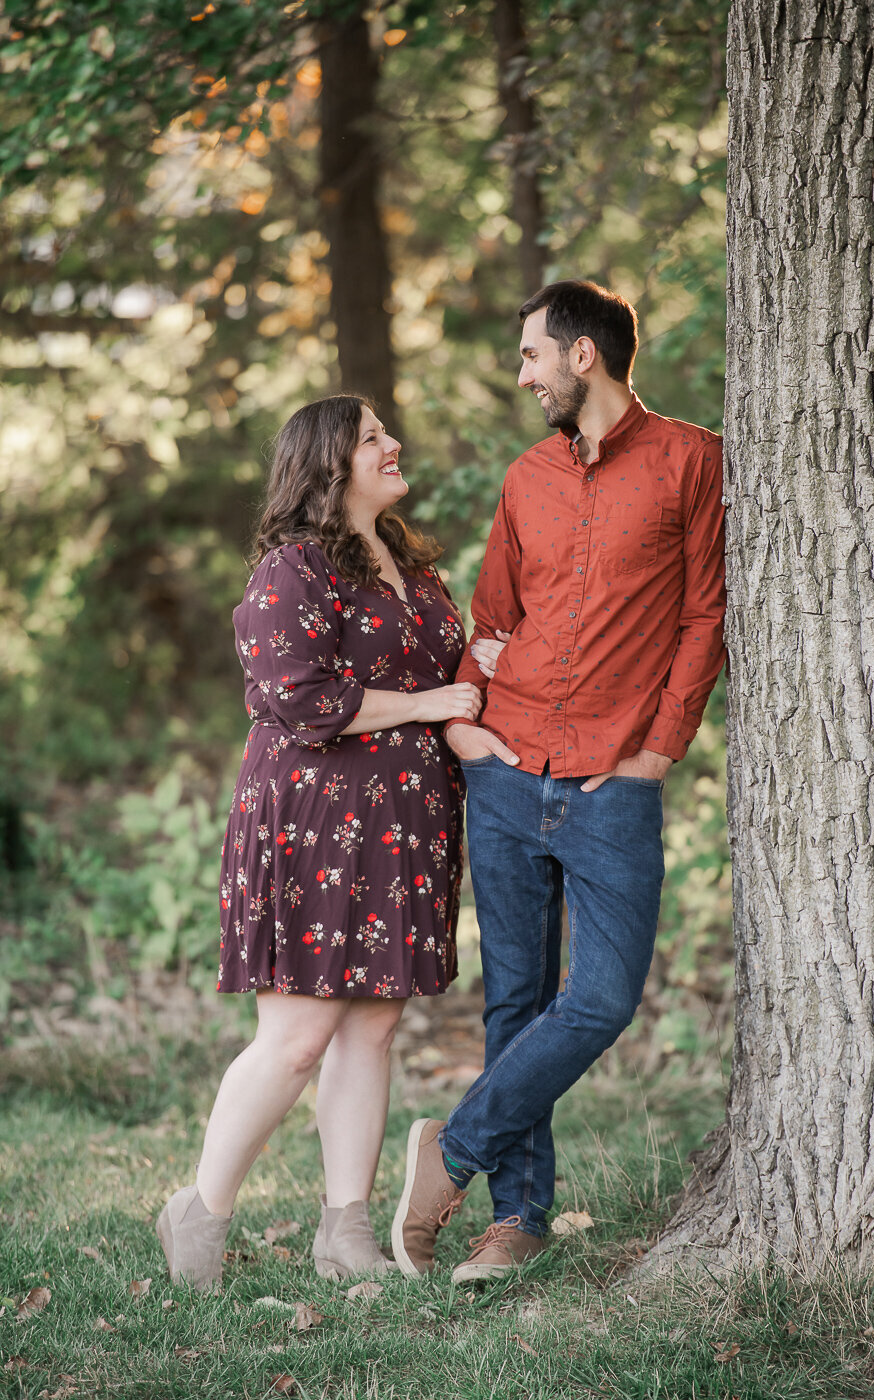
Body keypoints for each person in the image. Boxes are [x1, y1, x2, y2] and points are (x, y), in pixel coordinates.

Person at [391, 279, 727, 1283]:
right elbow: (493, 618)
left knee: (604, 995)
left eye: (533, 353)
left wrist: (658, 750)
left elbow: (705, 615)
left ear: (585, 354)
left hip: (612, 778)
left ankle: (451, 1149)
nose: (523, 371)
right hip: (505, 762)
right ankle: (516, 1217)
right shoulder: (527, 475)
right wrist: (463, 720)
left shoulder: (690, 461)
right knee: (517, 998)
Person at [157, 394, 480, 1290]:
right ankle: (201, 1211)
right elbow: (298, 696)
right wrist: (421, 706)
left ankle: (344, 1231)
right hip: (314, 819)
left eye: (386, 432)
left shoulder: (410, 562)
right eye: (372, 436)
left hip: (405, 821)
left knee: (372, 1030)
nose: (393, 443)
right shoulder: (291, 569)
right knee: (298, 1036)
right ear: (327, 463)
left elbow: (447, 673)